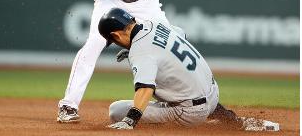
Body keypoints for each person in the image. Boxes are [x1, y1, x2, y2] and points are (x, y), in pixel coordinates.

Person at [97, 8, 280, 131]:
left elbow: (145, 88)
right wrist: (136, 50)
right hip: (213, 94)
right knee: (184, 81)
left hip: (189, 113)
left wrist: (131, 120)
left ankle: (169, 130)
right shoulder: (155, 25)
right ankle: (235, 122)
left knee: (116, 110)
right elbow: (180, 35)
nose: (115, 43)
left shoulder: (141, 51)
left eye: (113, 40)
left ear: (116, 34)